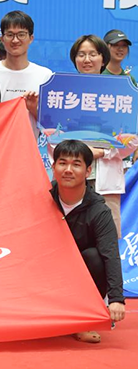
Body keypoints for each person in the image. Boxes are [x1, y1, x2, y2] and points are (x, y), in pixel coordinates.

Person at [50, 140, 125, 343]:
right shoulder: (43, 198)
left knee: (94, 256)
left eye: (76, 164)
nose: (68, 170)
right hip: (48, 269)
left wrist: (117, 299)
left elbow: (111, 255)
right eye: (62, 163)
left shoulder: (99, 211)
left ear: (88, 170)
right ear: (53, 167)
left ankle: (83, 319)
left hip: (80, 275)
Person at [69, 34, 138, 237]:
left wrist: (101, 152)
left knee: (107, 244)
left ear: (103, 58)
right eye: (81, 54)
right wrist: (80, 153)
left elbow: (132, 138)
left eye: (93, 54)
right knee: (70, 242)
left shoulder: (120, 92)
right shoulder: (64, 92)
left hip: (107, 181)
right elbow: (52, 135)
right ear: (74, 59)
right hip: (71, 180)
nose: (87, 60)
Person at [0, 11, 53, 135]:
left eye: (21, 34)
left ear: (31, 38)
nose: (15, 40)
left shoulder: (45, 76)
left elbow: (51, 126)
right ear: (2, 39)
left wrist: (34, 109)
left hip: (27, 145)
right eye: (10, 35)